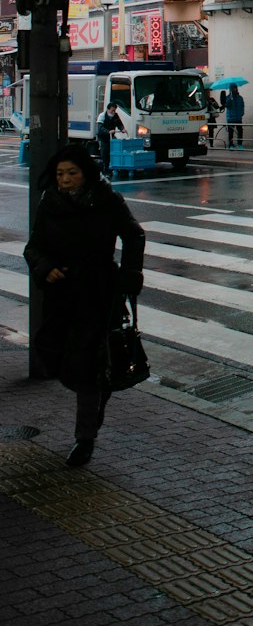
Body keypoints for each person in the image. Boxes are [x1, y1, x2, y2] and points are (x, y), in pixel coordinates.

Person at [23, 145, 145, 467]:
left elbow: (134, 235)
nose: (65, 180)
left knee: (89, 369)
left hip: (98, 292)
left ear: (86, 174)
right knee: (56, 354)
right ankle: (96, 398)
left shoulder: (107, 201)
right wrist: (44, 267)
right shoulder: (49, 202)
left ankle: (85, 438)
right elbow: (33, 246)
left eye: (72, 173)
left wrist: (128, 278)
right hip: (62, 293)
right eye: (61, 174)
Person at [97, 100, 126, 173]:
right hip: (103, 138)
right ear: (108, 109)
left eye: (114, 110)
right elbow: (100, 128)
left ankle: (113, 167)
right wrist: (108, 131)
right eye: (112, 110)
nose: (113, 112)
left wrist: (122, 129)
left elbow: (119, 124)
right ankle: (105, 169)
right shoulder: (102, 116)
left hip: (111, 137)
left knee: (114, 151)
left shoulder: (115, 116)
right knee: (105, 153)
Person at [225, 84, 245, 148]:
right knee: (231, 132)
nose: (234, 89)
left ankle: (240, 144)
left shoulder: (240, 97)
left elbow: (242, 106)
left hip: (238, 118)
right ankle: (231, 144)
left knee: (240, 131)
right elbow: (226, 105)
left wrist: (242, 113)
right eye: (232, 88)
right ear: (230, 89)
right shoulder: (228, 97)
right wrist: (230, 99)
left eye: (235, 88)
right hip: (230, 118)